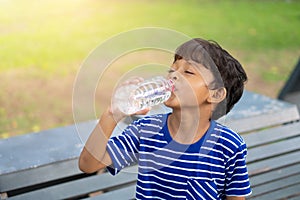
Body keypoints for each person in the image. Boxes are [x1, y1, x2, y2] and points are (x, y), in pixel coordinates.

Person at [79, 38, 252, 199]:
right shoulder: (146, 130)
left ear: (215, 94)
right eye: (172, 69)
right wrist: (112, 114)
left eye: (188, 71)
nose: (173, 76)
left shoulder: (229, 146)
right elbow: (88, 164)